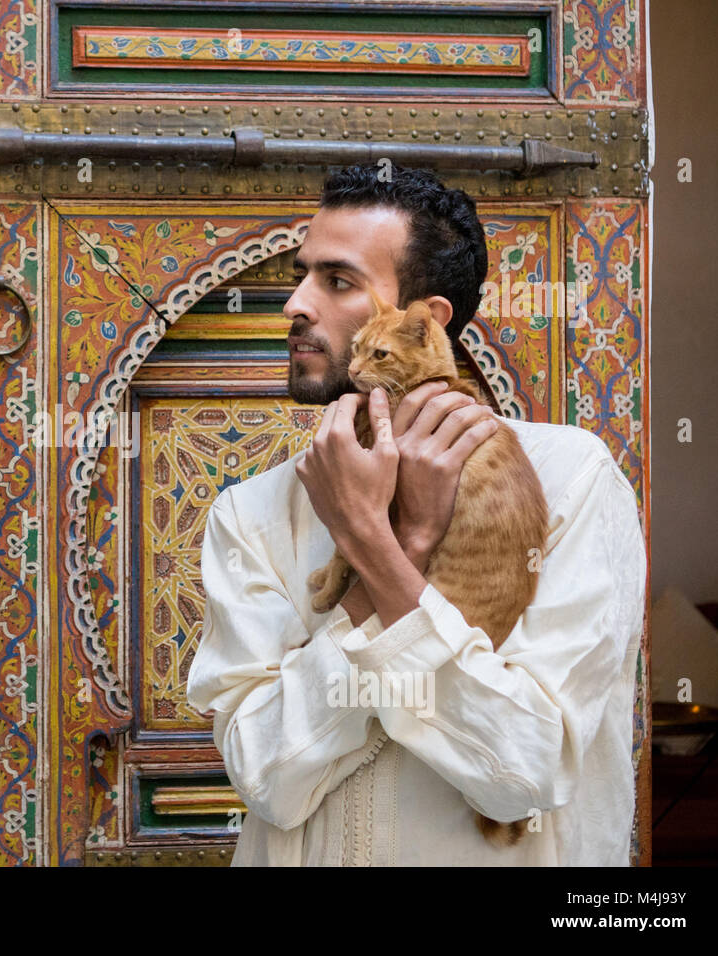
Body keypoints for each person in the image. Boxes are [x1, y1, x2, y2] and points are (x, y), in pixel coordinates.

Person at [185, 164, 647, 866]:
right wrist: (404, 544)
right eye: (300, 275)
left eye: (337, 282)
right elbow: (269, 781)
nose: (294, 306)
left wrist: (376, 548)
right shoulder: (249, 513)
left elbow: (524, 774)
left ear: (427, 324)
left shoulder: (571, 479)